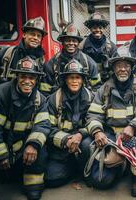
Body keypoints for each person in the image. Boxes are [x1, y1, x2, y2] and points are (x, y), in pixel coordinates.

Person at [82, 46, 136, 197]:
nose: (123, 69)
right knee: (102, 182)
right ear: (113, 67)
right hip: (112, 137)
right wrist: (98, 131)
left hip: (135, 136)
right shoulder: (105, 89)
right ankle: (122, 165)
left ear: (132, 67)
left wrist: (133, 126)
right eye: (119, 65)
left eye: (126, 65)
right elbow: (93, 114)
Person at [0, 56, 50, 200]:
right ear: (16, 76)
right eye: (23, 76)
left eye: (32, 77)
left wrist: (33, 145)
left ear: (36, 79)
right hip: (5, 145)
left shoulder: (40, 99)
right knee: (4, 178)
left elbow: (42, 125)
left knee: (40, 147)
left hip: (24, 146)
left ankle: (33, 186)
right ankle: (8, 167)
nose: (27, 81)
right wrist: (0, 156)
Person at [45, 59, 94, 187]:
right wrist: (66, 140)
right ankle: (73, 166)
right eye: (71, 77)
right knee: (52, 179)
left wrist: (80, 135)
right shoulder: (53, 100)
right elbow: (48, 128)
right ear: (65, 80)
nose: (74, 81)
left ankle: (83, 167)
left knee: (86, 145)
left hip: (83, 141)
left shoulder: (91, 98)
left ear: (83, 80)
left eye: (78, 77)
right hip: (62, 147)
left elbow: (95, 121)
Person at [0, 16, 47, 101]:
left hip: (28, 107)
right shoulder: (6, 55)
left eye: (39, 36)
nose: (35, 38)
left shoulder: (41, 60)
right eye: (32, 34)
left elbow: (42, 90)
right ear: (24, 35)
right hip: (4, 104)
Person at [42, 23, 101, 96]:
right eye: (67, 40)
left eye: (74, 41)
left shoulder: (89, 63)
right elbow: (45, 90)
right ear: (62, 42)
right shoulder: (52, 64)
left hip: (83, 103)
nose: (71, 43)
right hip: (60, 103)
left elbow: (97, 88)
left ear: (78, 43)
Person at [79, 12, 117, 82]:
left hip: (106, 82)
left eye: (100, 28)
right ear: (90, 29)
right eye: (94, 28)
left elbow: (116, 66)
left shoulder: (111, 47)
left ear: (104, 29)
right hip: (87, 82)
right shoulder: (81, 46)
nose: (98, 30)